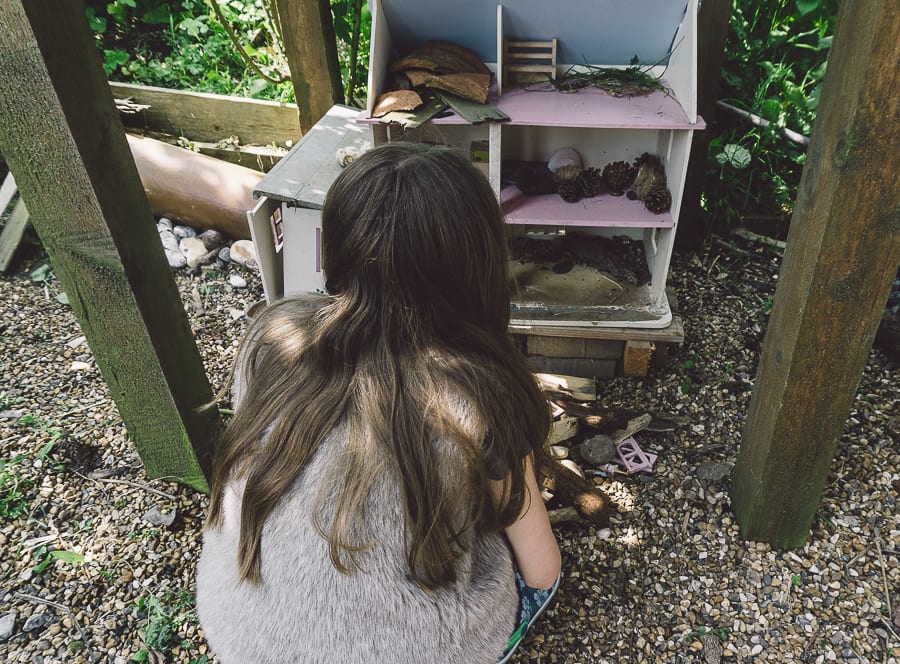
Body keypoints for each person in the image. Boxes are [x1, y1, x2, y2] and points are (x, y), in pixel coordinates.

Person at [196, 142, 562, 663]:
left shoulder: (270, 337)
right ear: (478, 265)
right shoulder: (480, 393)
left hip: (240, 635)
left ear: (335, 249)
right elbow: (542, 571)